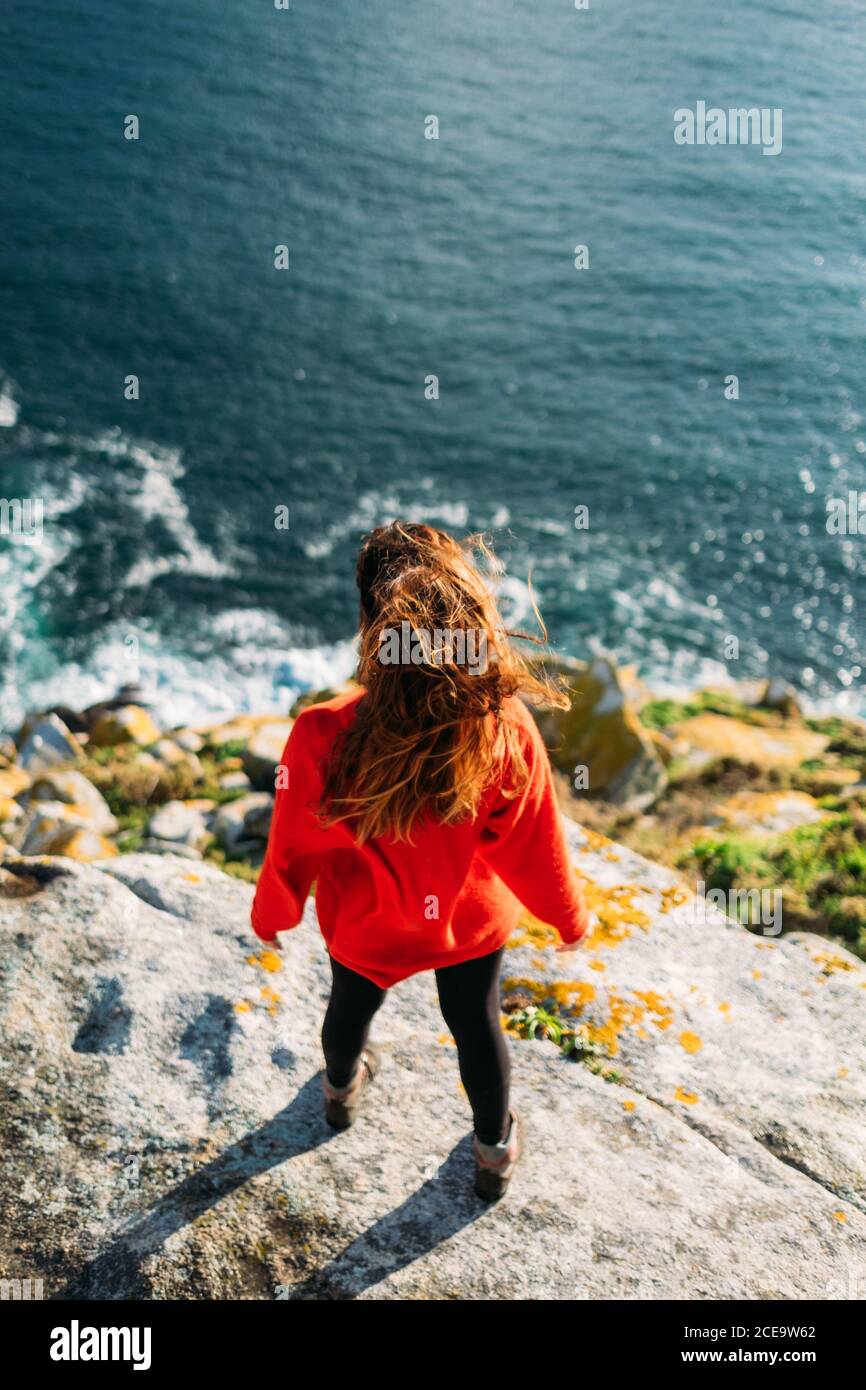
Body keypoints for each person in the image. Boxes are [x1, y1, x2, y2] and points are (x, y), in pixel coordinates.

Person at [252, 522, 589, 1199]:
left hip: (368, 922)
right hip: (467, 923)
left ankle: (341, 1092)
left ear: (374, 625)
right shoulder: (504, 726)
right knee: (476, 1023)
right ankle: (493, 1150)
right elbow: (534, 841)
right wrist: (567, 916)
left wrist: (275, 911)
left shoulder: (323, 733)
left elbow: (292, 842)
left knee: (350, 1007)